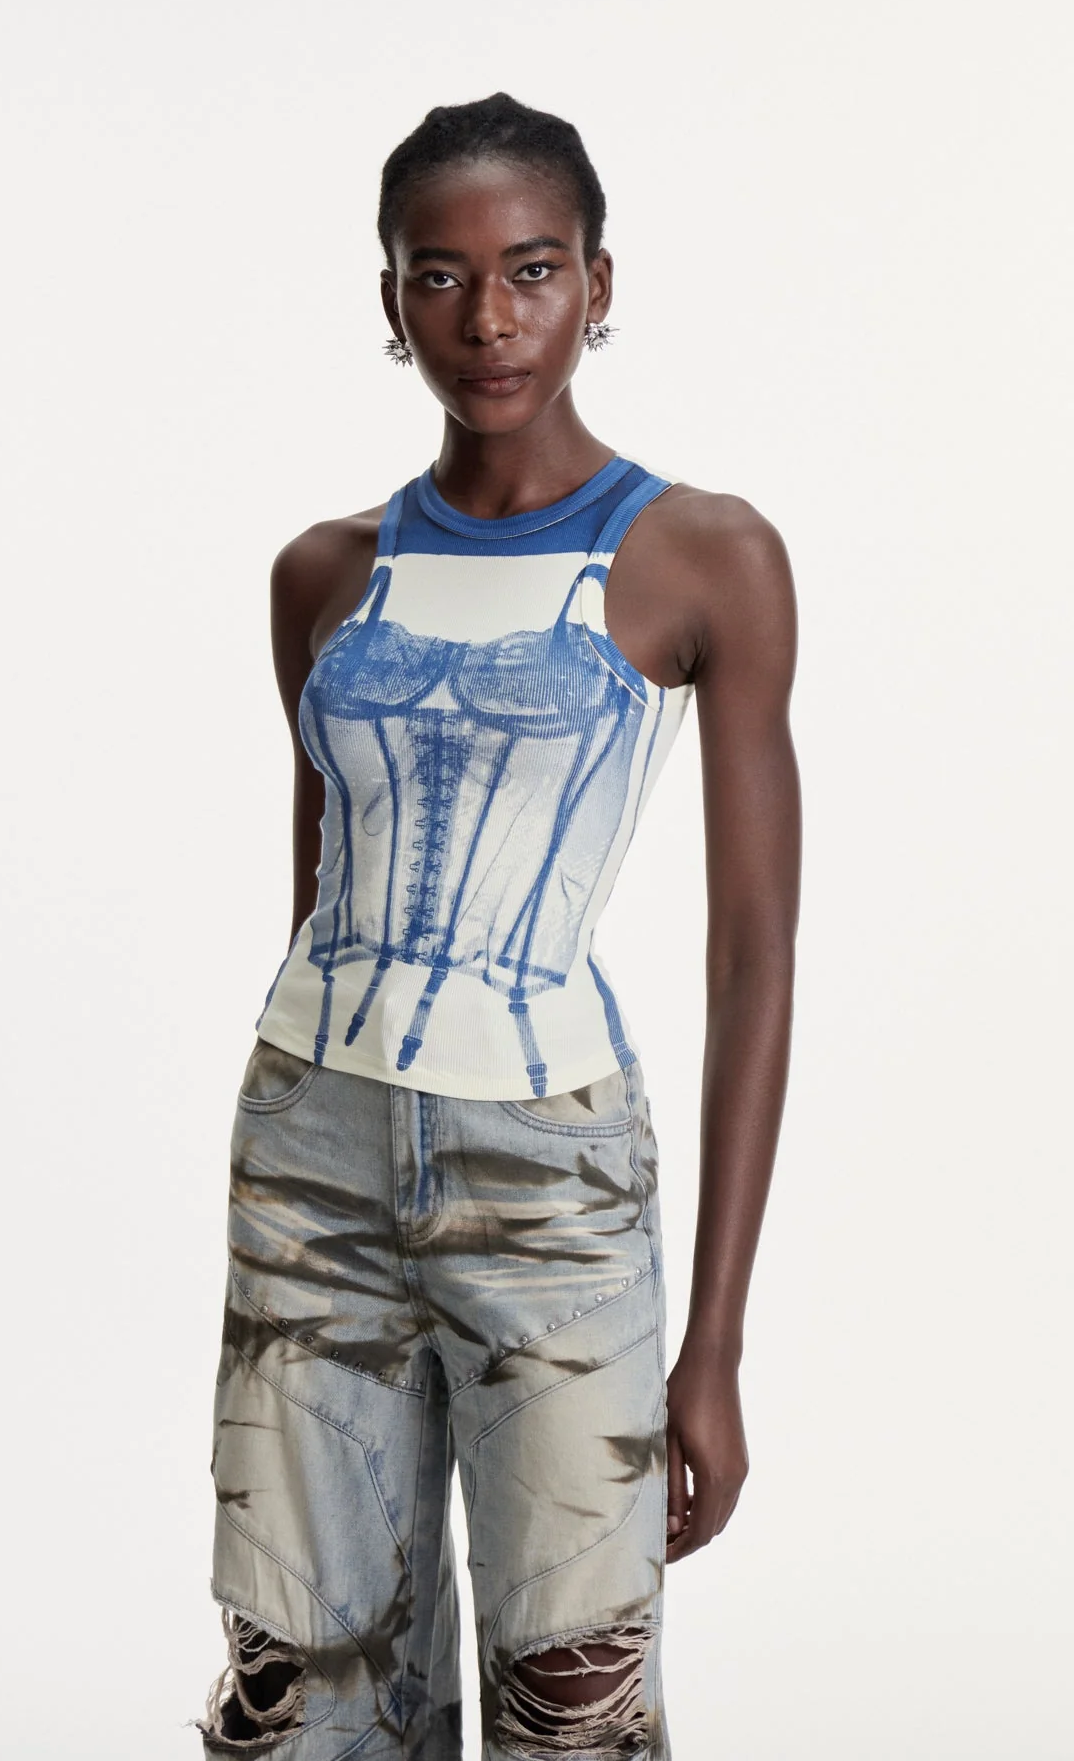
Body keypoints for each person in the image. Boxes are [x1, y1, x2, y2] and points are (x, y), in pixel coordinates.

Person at [195, 92, 801, 1760]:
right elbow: (320, 892)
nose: (490, 319)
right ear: (392, 301)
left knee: (574, 1698)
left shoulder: (705, 556)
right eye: (441, 275)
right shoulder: (322, 573)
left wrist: (713, 1345)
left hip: (553, 1179)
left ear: (600, 283)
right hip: (309, 1154)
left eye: (533, 270)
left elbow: (754, 955)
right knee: (301, 1686)